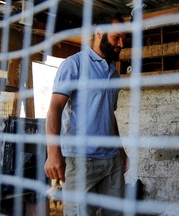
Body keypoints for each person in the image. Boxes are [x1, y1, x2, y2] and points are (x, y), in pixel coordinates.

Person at [44, 13, 128, 216]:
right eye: (117, 37)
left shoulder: (113, 74)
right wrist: (53, 153)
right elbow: (54, 108)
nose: (122, 43)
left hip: (112, 162)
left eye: (123, 38)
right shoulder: (74, 65)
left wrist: (120, 150)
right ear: (99, 34)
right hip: (81, 160)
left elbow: (109, 114)